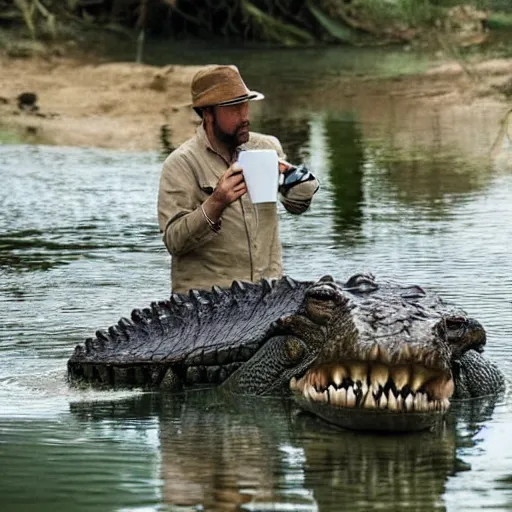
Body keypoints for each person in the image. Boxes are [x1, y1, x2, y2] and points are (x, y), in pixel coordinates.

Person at [157, 64, 319, 293]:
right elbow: (174, 242)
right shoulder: (181, 163)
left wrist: (296, 179)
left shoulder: (266, 148)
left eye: (246, 106)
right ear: (208, 114)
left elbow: (297, 206)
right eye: (234, 109)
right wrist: (217, 202)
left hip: (267, 298)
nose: (245, 117)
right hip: (204, 307)